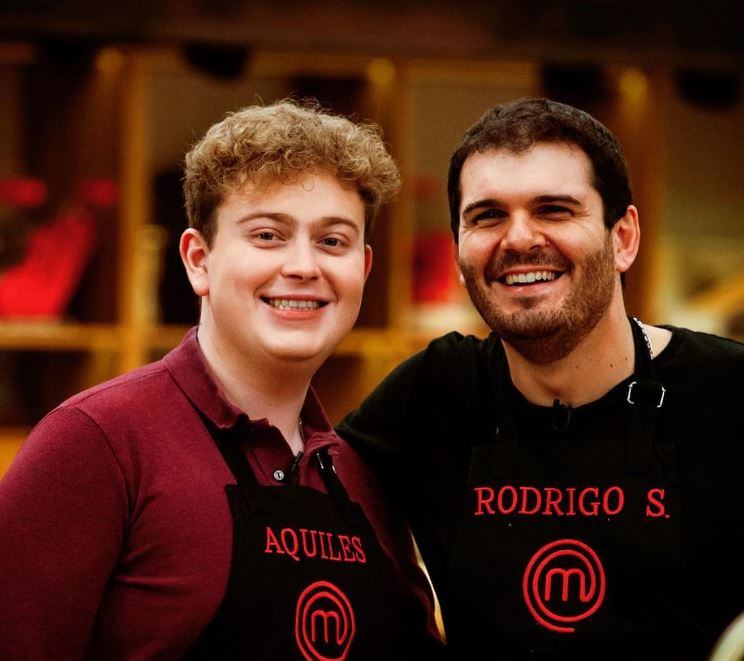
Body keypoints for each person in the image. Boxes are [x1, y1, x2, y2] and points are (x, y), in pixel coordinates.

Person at [338, 97, 744, 660]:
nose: (519, 239)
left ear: (624, 238)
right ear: (458, 251)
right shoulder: (430, 395)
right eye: (487, 215)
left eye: (555, 209)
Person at [0, 100, 442, 659]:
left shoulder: (363, 477)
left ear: (364, 269)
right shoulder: (97, 443)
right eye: (267, 235)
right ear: (198, 260)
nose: (304, 265)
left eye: (333, 240)